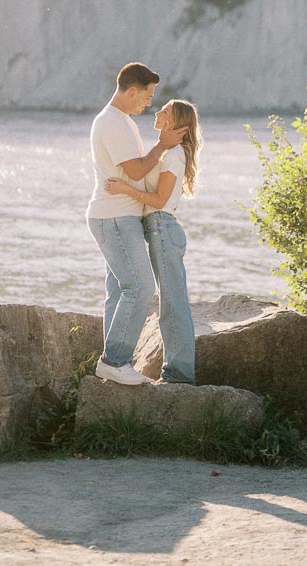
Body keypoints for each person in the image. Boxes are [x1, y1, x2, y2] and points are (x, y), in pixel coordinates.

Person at [86, 62, 185, 386]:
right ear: (132, 90)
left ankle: (115, 364)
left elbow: (136, 173)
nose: (149, 102)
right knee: (140, 287)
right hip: (115, 216)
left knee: (118, 290)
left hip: (118, 214)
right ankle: (114, 361)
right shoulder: (113, 123)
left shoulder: (120, 121)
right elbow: (138, 171)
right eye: (147, 95)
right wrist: (163, 145)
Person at [106, 98, 201, 385]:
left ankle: (179, 373)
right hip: (154, 227)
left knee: (173, 302)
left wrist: (123, 188)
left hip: (161, 227)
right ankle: (123, 362)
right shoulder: (166, 152)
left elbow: (159, 201)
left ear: (174, 123)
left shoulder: (174, 156)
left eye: (165, 111)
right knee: (146, 292)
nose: (157, 112)